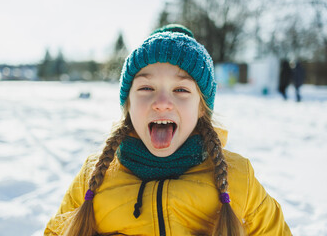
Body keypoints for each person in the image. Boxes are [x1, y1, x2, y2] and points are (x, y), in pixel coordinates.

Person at [44, 24, 291, 236]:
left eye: (181, 90)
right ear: (128, 104)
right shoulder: (92, 177)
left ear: (201, 108)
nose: (162, 102)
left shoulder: (239, 180)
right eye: (146, 88)